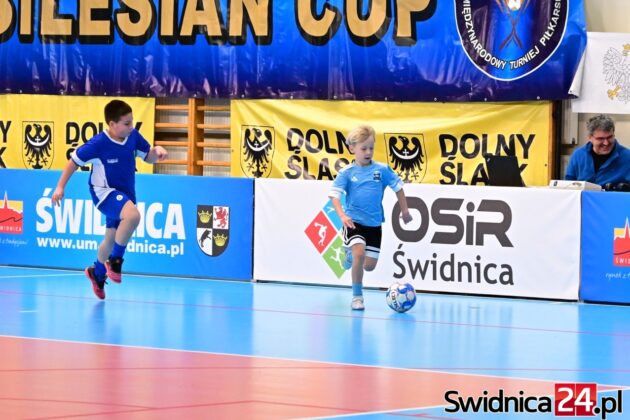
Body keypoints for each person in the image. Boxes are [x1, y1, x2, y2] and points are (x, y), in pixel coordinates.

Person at [51, 99, 168, 299]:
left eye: (132, 122)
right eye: (126, 123)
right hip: (104, 193)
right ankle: (115, 262)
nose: (131, 126)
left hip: (126, 193)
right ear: (112, 124)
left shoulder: (133, 136)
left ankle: (96, 273)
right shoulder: (98, 144)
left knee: (110, 239)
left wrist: (157, 151)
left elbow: (147, 156)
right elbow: (74, 162)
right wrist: (60, 186)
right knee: (133, 216)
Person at [328, 125, 412, 310]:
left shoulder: (382, 170)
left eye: (371, 148)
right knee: (359, 252)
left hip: (374, 225)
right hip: (353, 222)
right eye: (363, 148)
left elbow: (398, 189)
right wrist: (342, 216)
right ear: (352, 148)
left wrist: (405, 211)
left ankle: (349, 255)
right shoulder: (347, 173)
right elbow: (334, 196)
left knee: (369, 266)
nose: (368, 152)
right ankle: (357, 297)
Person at [565, 114, 630, 189]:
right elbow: (568, 185)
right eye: (600, 139)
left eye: (609, 137)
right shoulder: (578, 155)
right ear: (590, 138)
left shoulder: (627, 158)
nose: (606, 143)